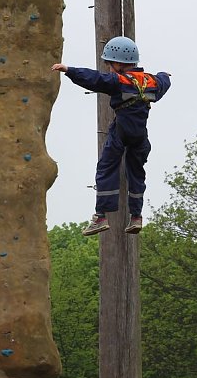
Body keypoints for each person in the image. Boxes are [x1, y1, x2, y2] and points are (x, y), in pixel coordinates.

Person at [52, 36, 171, 235]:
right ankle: (136, 216)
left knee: (106, 168)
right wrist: (165, 74)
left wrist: (69, 71)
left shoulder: (119, 81)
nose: (108, 67)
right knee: (136, 174)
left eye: (109, 63)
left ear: (119, 63)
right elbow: (163, 81)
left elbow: (95, 79)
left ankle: (101, 216)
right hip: (140, 136)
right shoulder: (152, 82)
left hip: (121, 133)